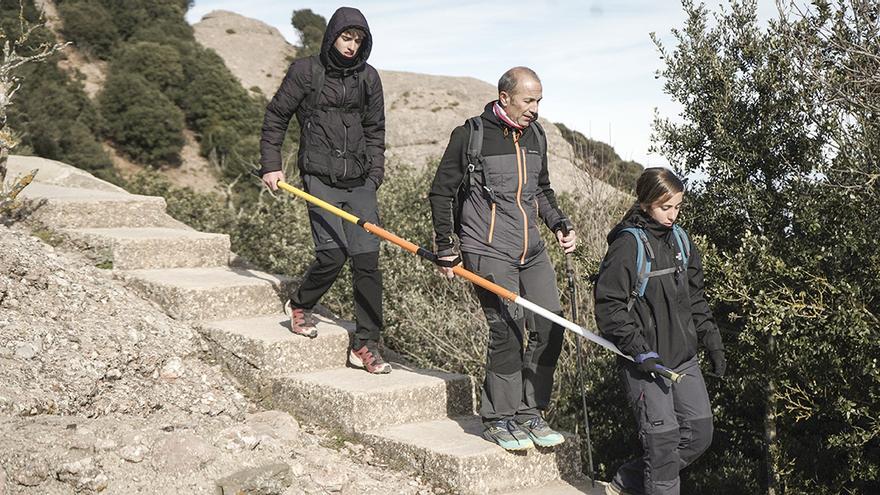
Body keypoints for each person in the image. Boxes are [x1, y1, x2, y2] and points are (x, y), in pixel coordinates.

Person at [429, 67, 577, 451]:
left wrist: (559, 221)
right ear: (504, 96)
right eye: (529, 100)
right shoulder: (471, 135)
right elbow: (441, 193)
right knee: (507, 329)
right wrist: (446, 247)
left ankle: (529, 411)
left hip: (532, 250)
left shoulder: (537, 135)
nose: (535, 108)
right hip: (487, 249)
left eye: (539, 100)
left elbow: (541, 189)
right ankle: (498, 417)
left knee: (550, 326)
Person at [258, 7, 390, 374]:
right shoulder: (306, 72)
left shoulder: (369, 77)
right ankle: (301, 303)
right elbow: (276, 117)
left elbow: (375, 129)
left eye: (358, 40)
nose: (351, 46)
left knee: (367, 261)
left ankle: (365, 344)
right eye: (346, 38)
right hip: (319, 177)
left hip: (360, 180)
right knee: (333, 255)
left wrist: (375, 174)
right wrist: (271, 164)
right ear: (332, 36)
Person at [594, 168, 726, 495]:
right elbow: (608, 306)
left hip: (683, 359)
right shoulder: (628, 245)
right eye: (665, 207)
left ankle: (626, 484)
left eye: (678, 207)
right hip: (646, 364)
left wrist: (713, 342)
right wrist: (639, 350)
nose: (672, 215)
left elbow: (695, 296)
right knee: (663, 446)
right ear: (646, 203)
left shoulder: (681, 241)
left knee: (699, 434)